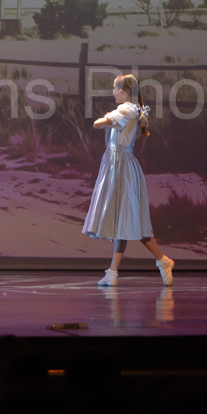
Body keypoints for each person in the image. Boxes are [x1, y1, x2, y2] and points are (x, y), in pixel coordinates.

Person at [82, 74, 173, 287]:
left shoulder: (125, 109)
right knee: (121, 222)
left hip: (121, 166)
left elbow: (96, 124)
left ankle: (162, 261)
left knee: (131, 222)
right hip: (119, 165)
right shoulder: (130, 109)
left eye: (115, 88)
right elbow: (111, 136)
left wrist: (107, 118)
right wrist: (110, 121)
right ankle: (113, 273)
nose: (113, 92)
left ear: (122, 91)